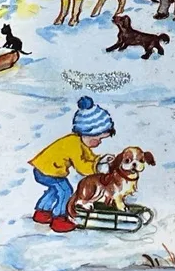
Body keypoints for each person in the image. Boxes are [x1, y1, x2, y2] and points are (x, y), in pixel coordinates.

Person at [28, 96, 114, 233]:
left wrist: (100, 160)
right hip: (48, 171)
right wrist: (97, 168)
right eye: (98, 139)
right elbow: (82, 166)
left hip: (45, 169)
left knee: (55, 190)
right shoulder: (74, 144)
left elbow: (89, 157)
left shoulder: (80, 142)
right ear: (88, 133)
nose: (99, 143)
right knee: (65, 190)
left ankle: (42, 212)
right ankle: (59, 218)